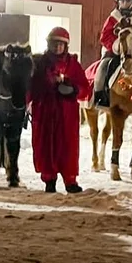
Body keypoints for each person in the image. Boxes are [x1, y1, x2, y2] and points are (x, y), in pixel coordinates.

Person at [28, 26, 89, 193]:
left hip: (66, 115)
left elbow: (84, 86)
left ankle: (70, 180)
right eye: (55, 44)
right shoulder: (39, 63)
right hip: (46, 111)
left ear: (66, 46)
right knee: (46, 146)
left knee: (67, 147)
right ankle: (49, 179)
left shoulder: (73, 64)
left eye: (61, 44)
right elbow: (31, 87)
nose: (58, 47)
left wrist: (73, 89)